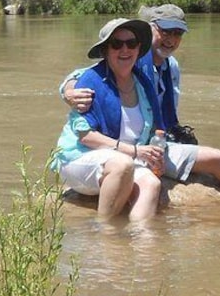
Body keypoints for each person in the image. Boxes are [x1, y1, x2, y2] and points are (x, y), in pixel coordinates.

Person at [60, 4, 220, 196]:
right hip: (124, 149)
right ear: (151, 29)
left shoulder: (171, 66)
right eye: (165, 31)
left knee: (217, 158)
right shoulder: (132, 58)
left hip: (155, 142)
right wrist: (68, 91)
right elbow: (86, 74)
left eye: (177, 33)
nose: (170, 39)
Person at [51, 18, 167, 221]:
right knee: (122, 164)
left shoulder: (144, 83)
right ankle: (106, 232)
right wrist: (135, 151)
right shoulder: (89, 81)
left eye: (131, 43)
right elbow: (86, 137)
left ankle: (142, 242)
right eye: (116, 44)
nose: (125, 49)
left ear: (139, 48)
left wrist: (156, 156)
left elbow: (156, 130)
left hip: (125, 159)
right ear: (105, 50)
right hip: (81, 157)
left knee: (152, 183)